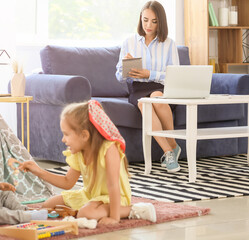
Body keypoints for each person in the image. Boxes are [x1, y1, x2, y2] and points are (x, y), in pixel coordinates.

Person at [19, 100, 156, 224]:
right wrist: (38, 171)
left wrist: (114, 218)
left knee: (86, 214)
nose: (63, 139)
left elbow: (113, 185)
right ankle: (83, 211)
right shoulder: (79, 151)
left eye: (66, 134)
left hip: (114, 198)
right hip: (90, 196)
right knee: (47, 205)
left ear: (84, 135)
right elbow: (67, 182)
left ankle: (134, 209)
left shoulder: (109, 149)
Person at [115, 1, 181, 173]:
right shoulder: (129, 42)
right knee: (145, 103)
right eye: (145, 20)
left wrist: (149, 74)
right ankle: (170, 150)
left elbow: (174, 76)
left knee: (156, 98)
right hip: (137, 88)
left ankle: (171, 148)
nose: (148, 25)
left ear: (161, 22)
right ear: (140, 19)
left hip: (160, 87)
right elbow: (118, 75)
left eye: (154, 21)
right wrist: (127, 68)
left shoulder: (169, 43)